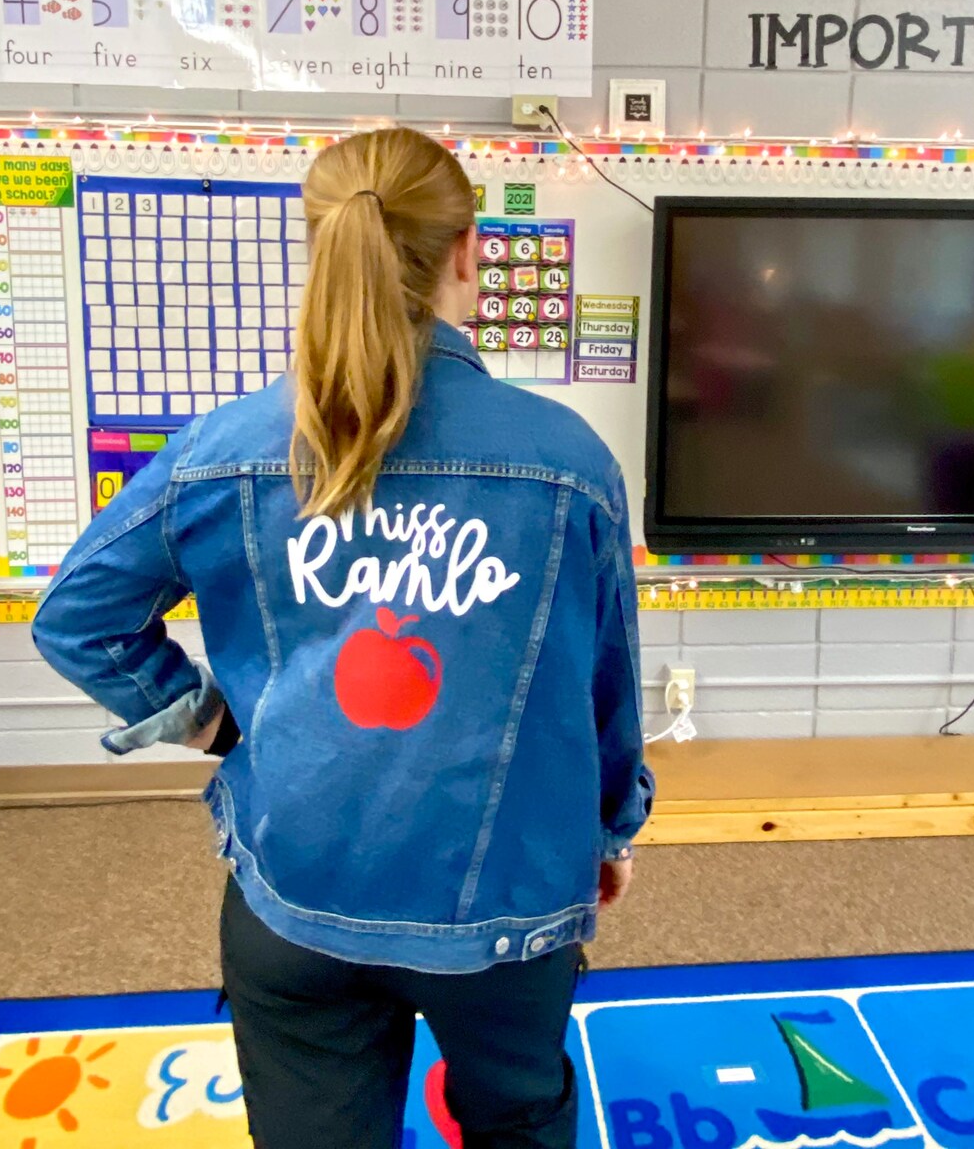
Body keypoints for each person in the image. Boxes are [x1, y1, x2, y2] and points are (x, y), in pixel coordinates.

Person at [33, 126, 653, 1149]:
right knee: (519, 1118)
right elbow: (606, 690)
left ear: (322, 248)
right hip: (506, 905)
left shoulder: (224, 449)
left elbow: (78, 616)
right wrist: (607, 831)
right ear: (468, 253)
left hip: (297, 894)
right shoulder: (567, 460)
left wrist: (209, 721)